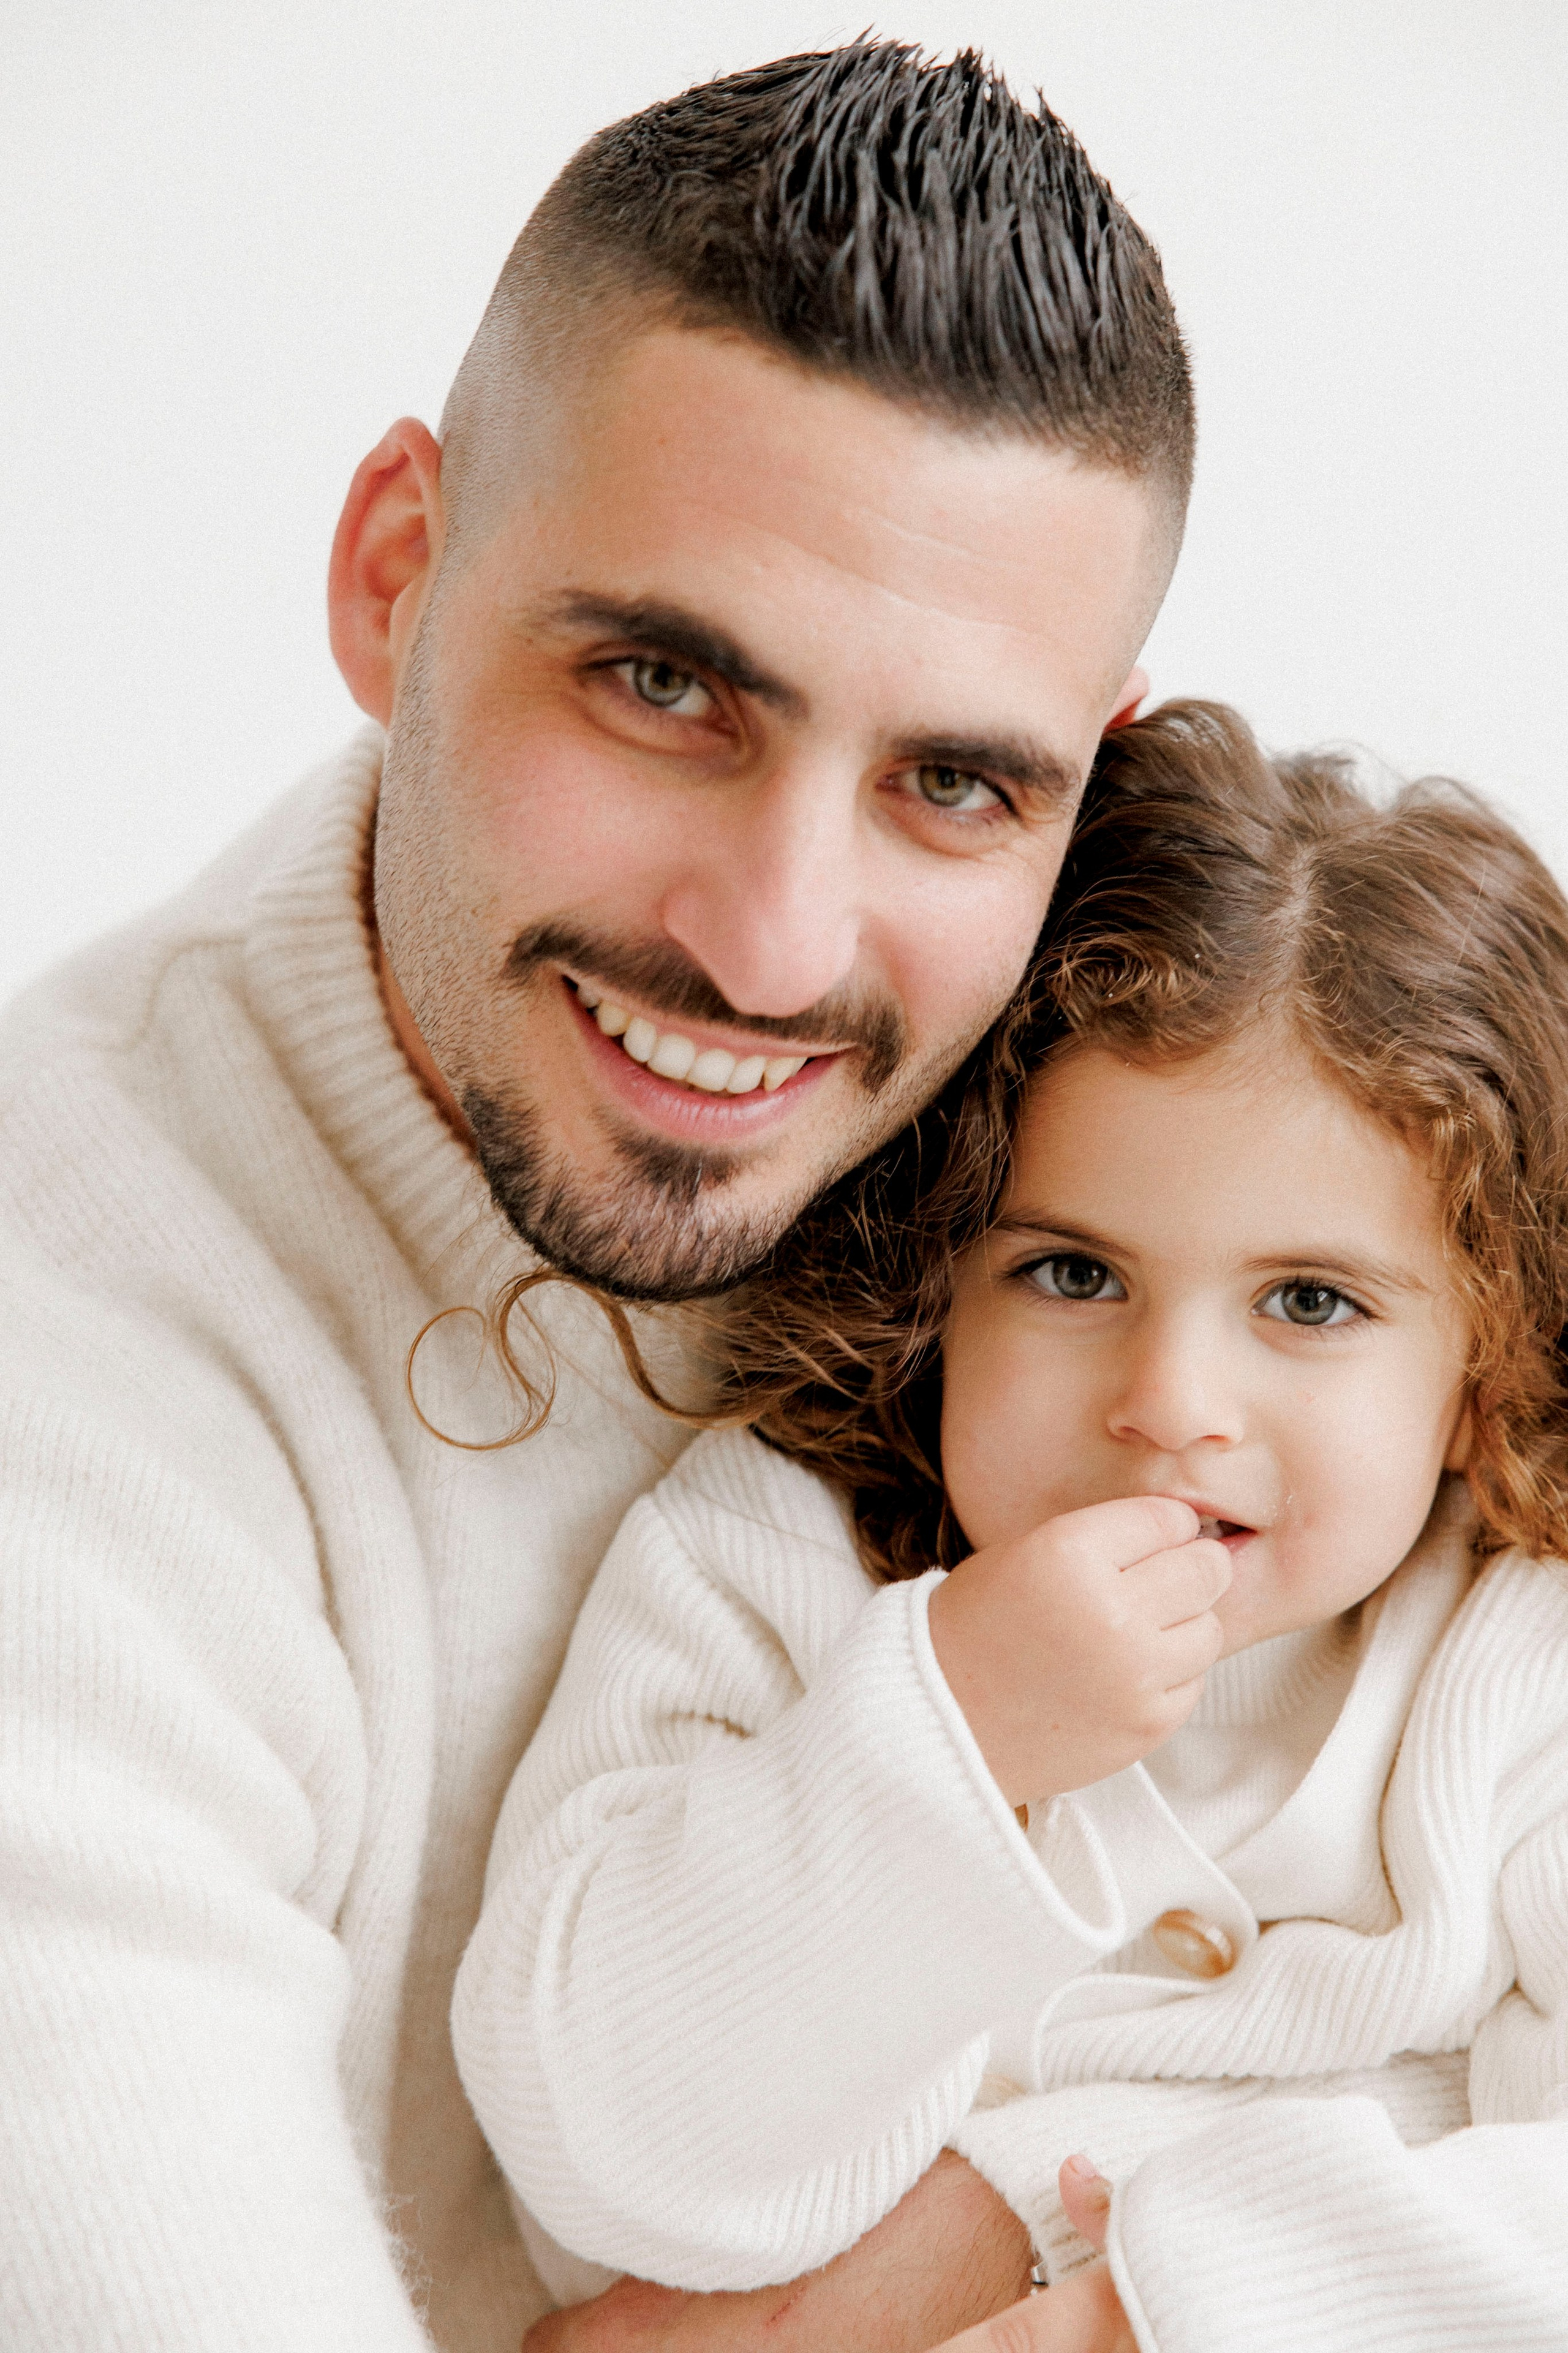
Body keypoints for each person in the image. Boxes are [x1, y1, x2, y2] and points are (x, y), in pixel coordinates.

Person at [0, 39, 1194, 2353]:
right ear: (394, 575)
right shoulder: (55, 1386)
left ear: (1092, 788)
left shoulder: (1164, 1216)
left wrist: (1000, 2257)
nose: (769, 946)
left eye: (956, 780)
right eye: (665, 684)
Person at [453, 700, 1568, 2353]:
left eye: (1311, 1302)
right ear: (934, 1285)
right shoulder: (769, 1566)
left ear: (1484, 1367)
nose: (1173, 1397)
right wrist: (954, 1731)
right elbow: (612, 2158)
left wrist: (1151, 2293)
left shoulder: (1514, 1663)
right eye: (1071, 1272)